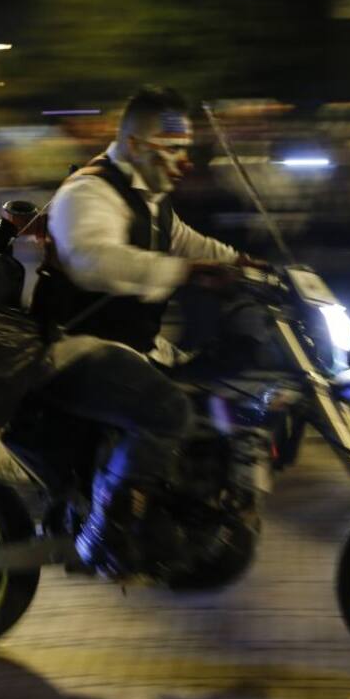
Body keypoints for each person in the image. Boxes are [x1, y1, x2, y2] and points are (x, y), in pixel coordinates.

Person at [35, 85, 244, 578]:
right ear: (132, 144)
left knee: (218, 394)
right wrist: (182, 272)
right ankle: (105, 535)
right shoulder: (89, 193)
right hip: (73, 349)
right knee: (166, 410)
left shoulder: (151, 201)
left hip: (130, 347)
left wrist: (252, 267)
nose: (183, 161)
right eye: (170, 148)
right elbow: (91, 259)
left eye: (186, 148)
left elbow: (192, 244)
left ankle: (184, 522)